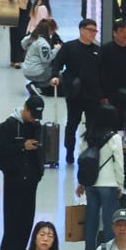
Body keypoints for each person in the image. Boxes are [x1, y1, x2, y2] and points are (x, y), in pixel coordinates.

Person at [0, 95, 47, 250]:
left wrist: (39, 170)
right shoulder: (7, 127)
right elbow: (0, 151)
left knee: (27, 214)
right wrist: (22, 146)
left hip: (31, 178)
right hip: (14, 177)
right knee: (12, 213)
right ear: (25, 109)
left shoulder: (37, 126)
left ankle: (22, 249)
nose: (34, 120)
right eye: (32, 115)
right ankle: (9, 249)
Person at [50, 19, 103, 166]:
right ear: (81, 30)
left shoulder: (97, 51)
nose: (93, 33)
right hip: (75, 94)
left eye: (95, 31)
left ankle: (90, 152)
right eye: (90, 30)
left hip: (93, 95)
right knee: (72, 123)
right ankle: (69, 151)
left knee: (92, 125)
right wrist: (55, 76)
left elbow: (102, 73)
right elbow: (57, 64)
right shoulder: (69, 47)